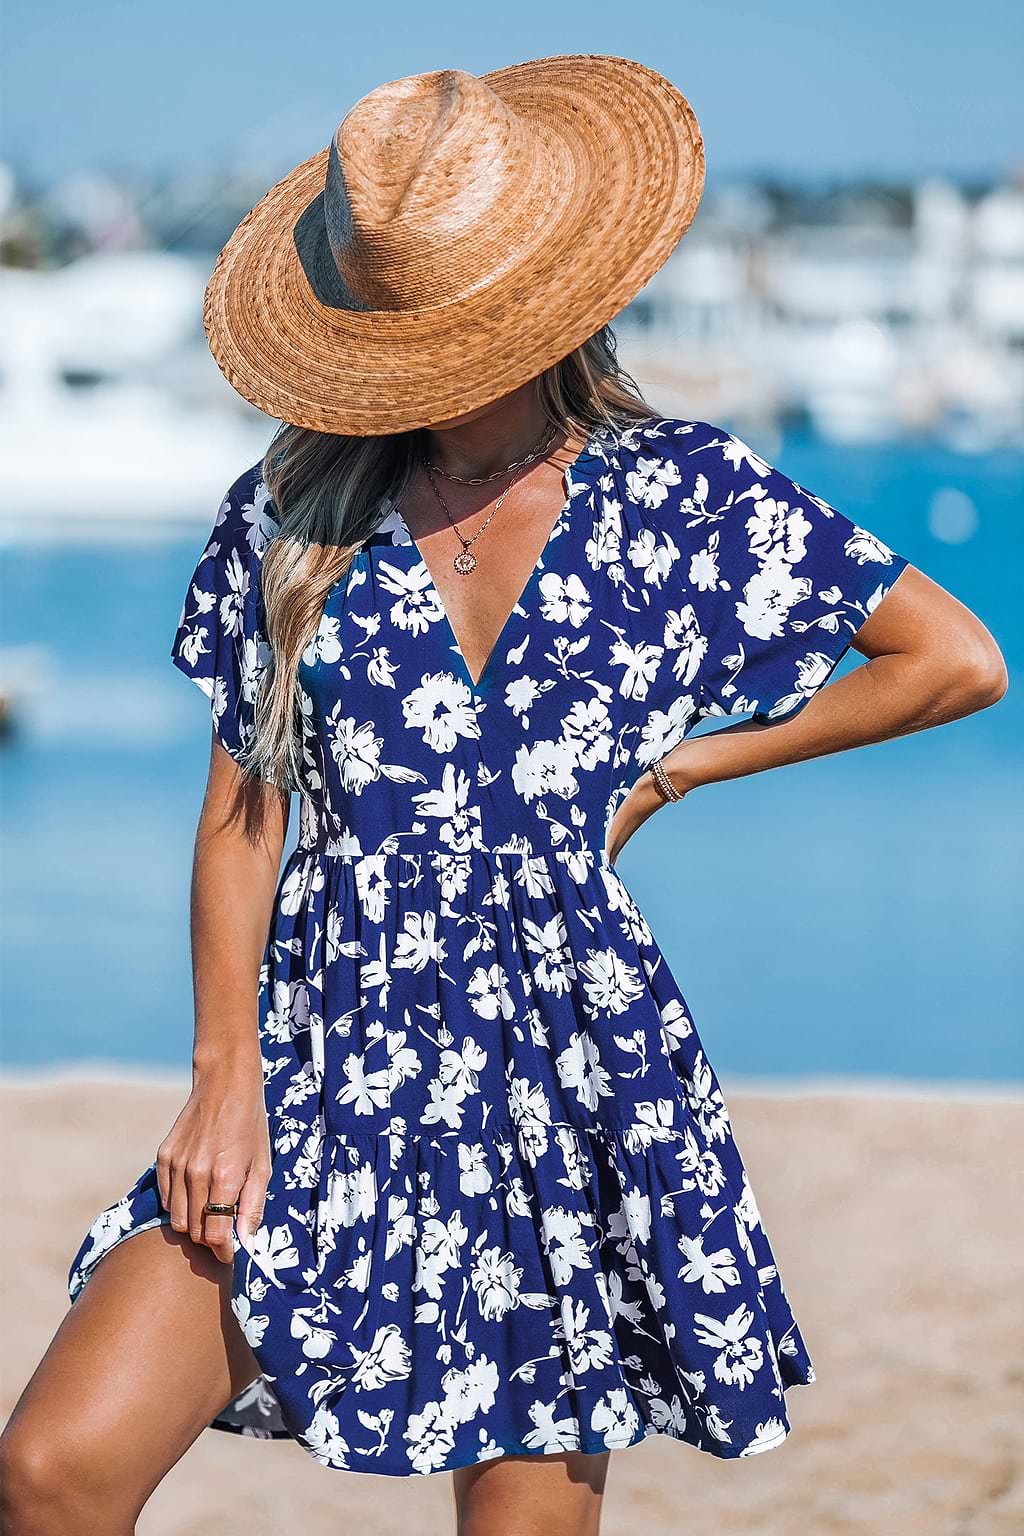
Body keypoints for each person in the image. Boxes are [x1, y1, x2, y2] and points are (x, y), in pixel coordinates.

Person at [0, 53, 1006, 1536]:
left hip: (563, 1069)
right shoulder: (295, 514)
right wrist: (225, 1074)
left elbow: (951, 658)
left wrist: (681, 765)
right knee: (52, 1466)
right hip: (322, 1068)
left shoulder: (677, 499)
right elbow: (242, 818)